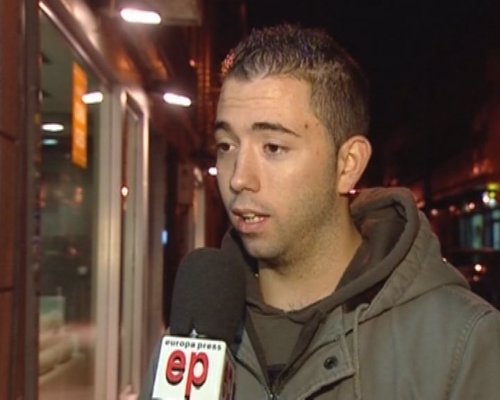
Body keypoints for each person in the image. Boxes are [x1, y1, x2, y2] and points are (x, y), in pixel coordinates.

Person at [141, 24, 500, 399]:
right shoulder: (191, 344)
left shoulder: (462, 348)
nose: (238, 178)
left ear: (347, 165)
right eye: (226, 145)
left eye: (273, 147)